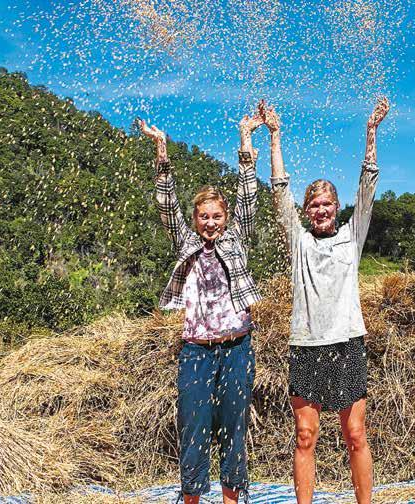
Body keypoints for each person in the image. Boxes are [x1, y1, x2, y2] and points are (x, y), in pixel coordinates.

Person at [261, 97, 390, 504]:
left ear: (337, 208)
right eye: (313, 205)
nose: (320, 210)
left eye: (327, 204)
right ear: (306, 210)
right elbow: (278, 190)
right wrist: (275, 136)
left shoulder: (352, 236)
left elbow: (367, 188)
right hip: (306, 344)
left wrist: (371, 134)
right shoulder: (298, 240)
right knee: (305, 436)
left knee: (355, 434)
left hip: (347, 343)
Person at [138, 109, 264, 504]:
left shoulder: (236, 237)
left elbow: (248, 193)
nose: (210, 223)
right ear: (194, 221)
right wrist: (162, 156)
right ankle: (191, 497)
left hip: (237, 347)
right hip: (195, 351)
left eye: (217, 216)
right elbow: (165, 207)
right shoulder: (187, 244)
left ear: (227, 218)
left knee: (233, 429)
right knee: (193, 431)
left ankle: (232, 499)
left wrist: (246, 142)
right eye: (203, 217)